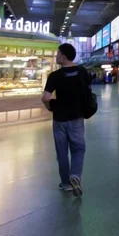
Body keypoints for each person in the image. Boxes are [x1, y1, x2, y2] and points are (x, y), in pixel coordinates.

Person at [42, 43, 90, 197]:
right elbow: (87, 92)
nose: (56, 56)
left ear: (63, 56)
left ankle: (66, 184)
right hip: (76, 117)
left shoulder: (55, 76)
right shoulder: (82, 72)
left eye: (58, 54)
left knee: (62, 152)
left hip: (59, 119)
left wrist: (50, 107)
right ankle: (75, 175)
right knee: (78, 148)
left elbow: (46, 98)